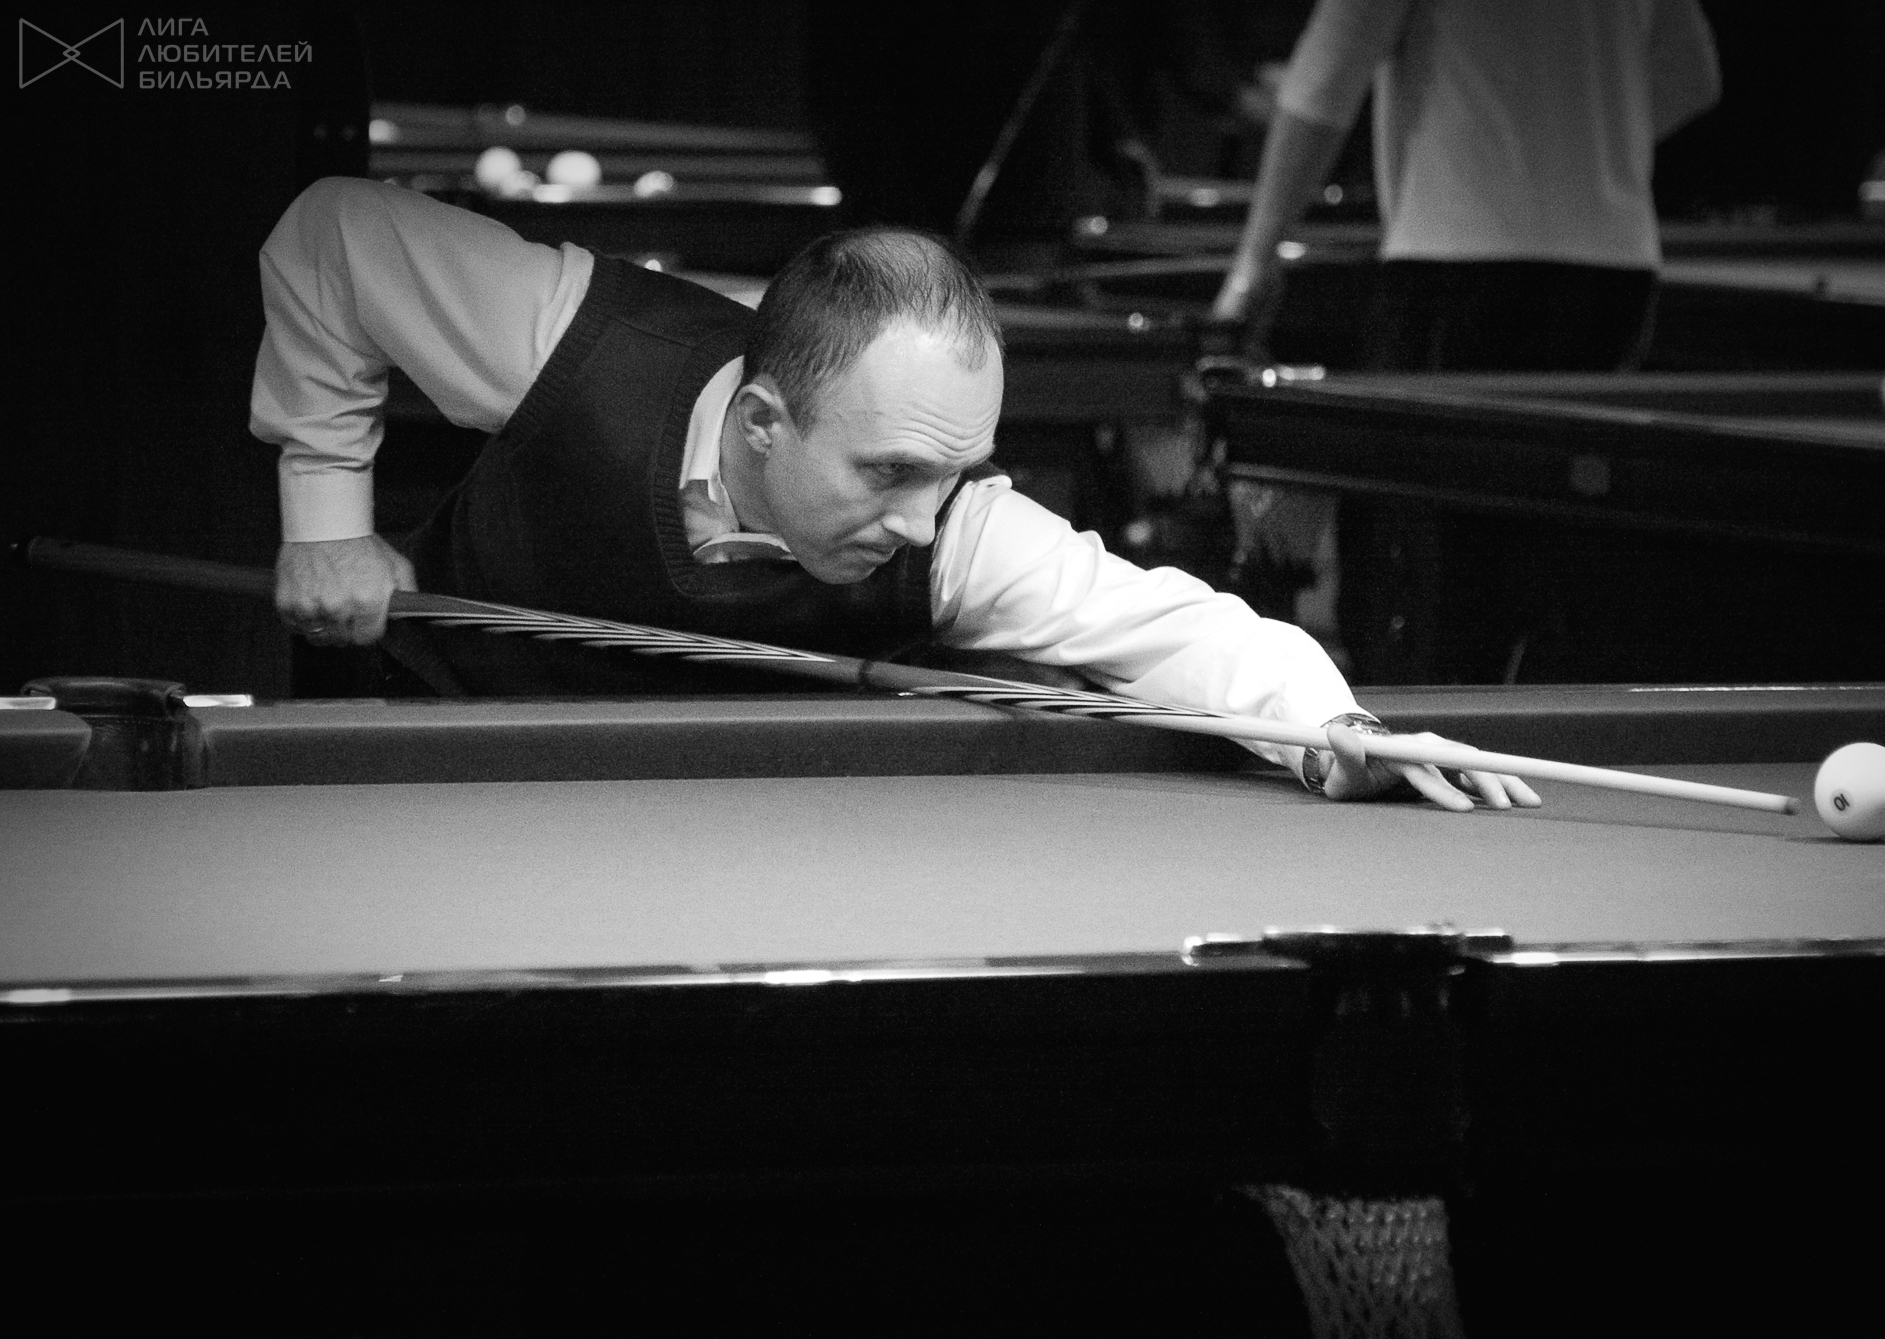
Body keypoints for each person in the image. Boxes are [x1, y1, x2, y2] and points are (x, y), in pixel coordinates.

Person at [250, 176, 1538, 811]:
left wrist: (1336, 731)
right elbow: (330, 235)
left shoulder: (955, 532)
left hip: (745, 835)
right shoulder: (567, 339)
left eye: (953, 473)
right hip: (430, 758)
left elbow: (1179, 630)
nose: (924, 520)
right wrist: (326, 519)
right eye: (887, 472)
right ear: (761, 422)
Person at [1212, 0, 1722, 369]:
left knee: (1432, 488)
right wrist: (1581, 152)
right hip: (1616, 273)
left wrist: (1253, 263)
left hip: (1454, 266)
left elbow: (1324, 79)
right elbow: (1692, 74)